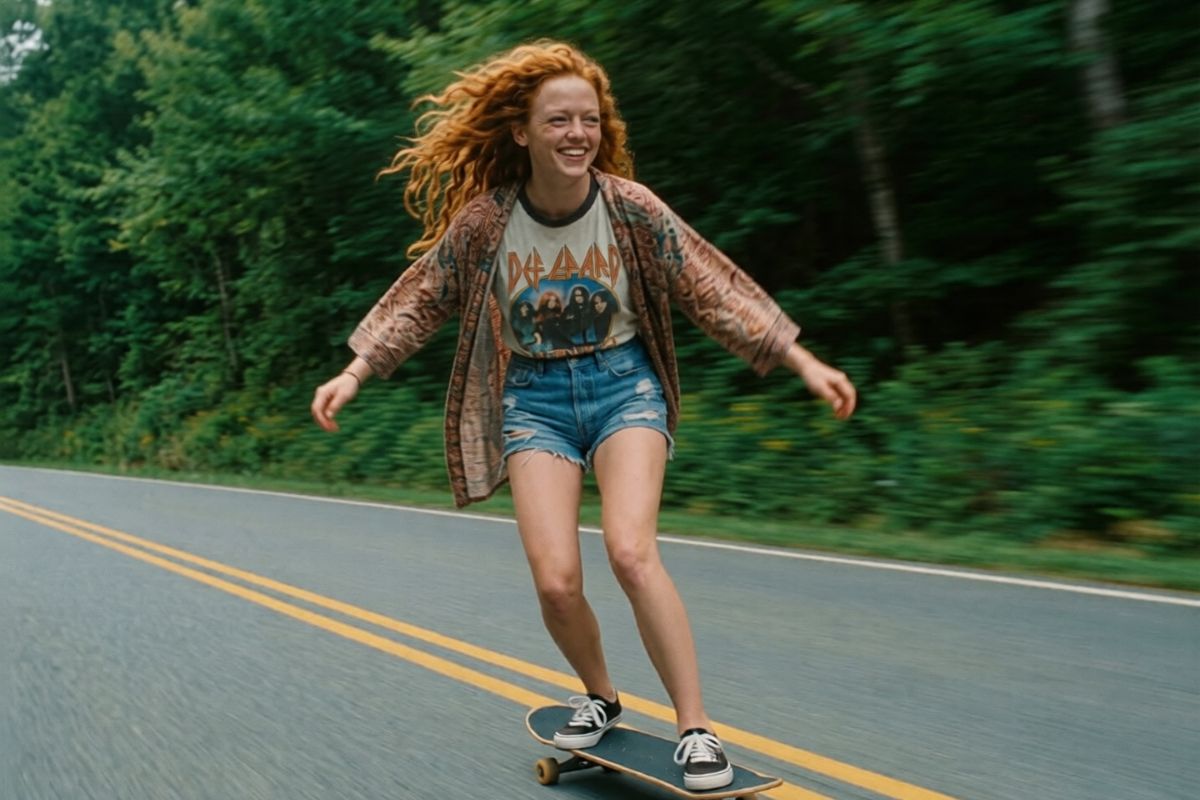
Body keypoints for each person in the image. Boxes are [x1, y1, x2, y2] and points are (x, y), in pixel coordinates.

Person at [310, 40, 856, 791]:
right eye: (559, 120)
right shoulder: (486, 224)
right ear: (522, 132)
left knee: (631, 552)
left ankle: (697, 731)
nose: (577, 134)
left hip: (623, 386)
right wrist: (354, 372)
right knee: (557, 583)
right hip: (533, 400)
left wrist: (802, 360)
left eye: (589, 120)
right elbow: (421, 298)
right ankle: (601, 697)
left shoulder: (630, 209)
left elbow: (712, 287)